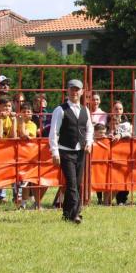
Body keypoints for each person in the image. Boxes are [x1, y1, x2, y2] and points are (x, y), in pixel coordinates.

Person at [48, 79, 94, 223]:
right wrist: (55, 152)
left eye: (77, 89)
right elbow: (53, 132)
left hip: (80, 151)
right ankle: (76, 214)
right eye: (72, 89)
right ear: (67, 91)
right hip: (65, 151)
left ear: (81, 92)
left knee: (77, 183)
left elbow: (89, 128)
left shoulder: (85, 110)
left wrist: (89, 142)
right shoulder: (60, 110)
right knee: (72, 183)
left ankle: (67, 214)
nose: (74, 92)